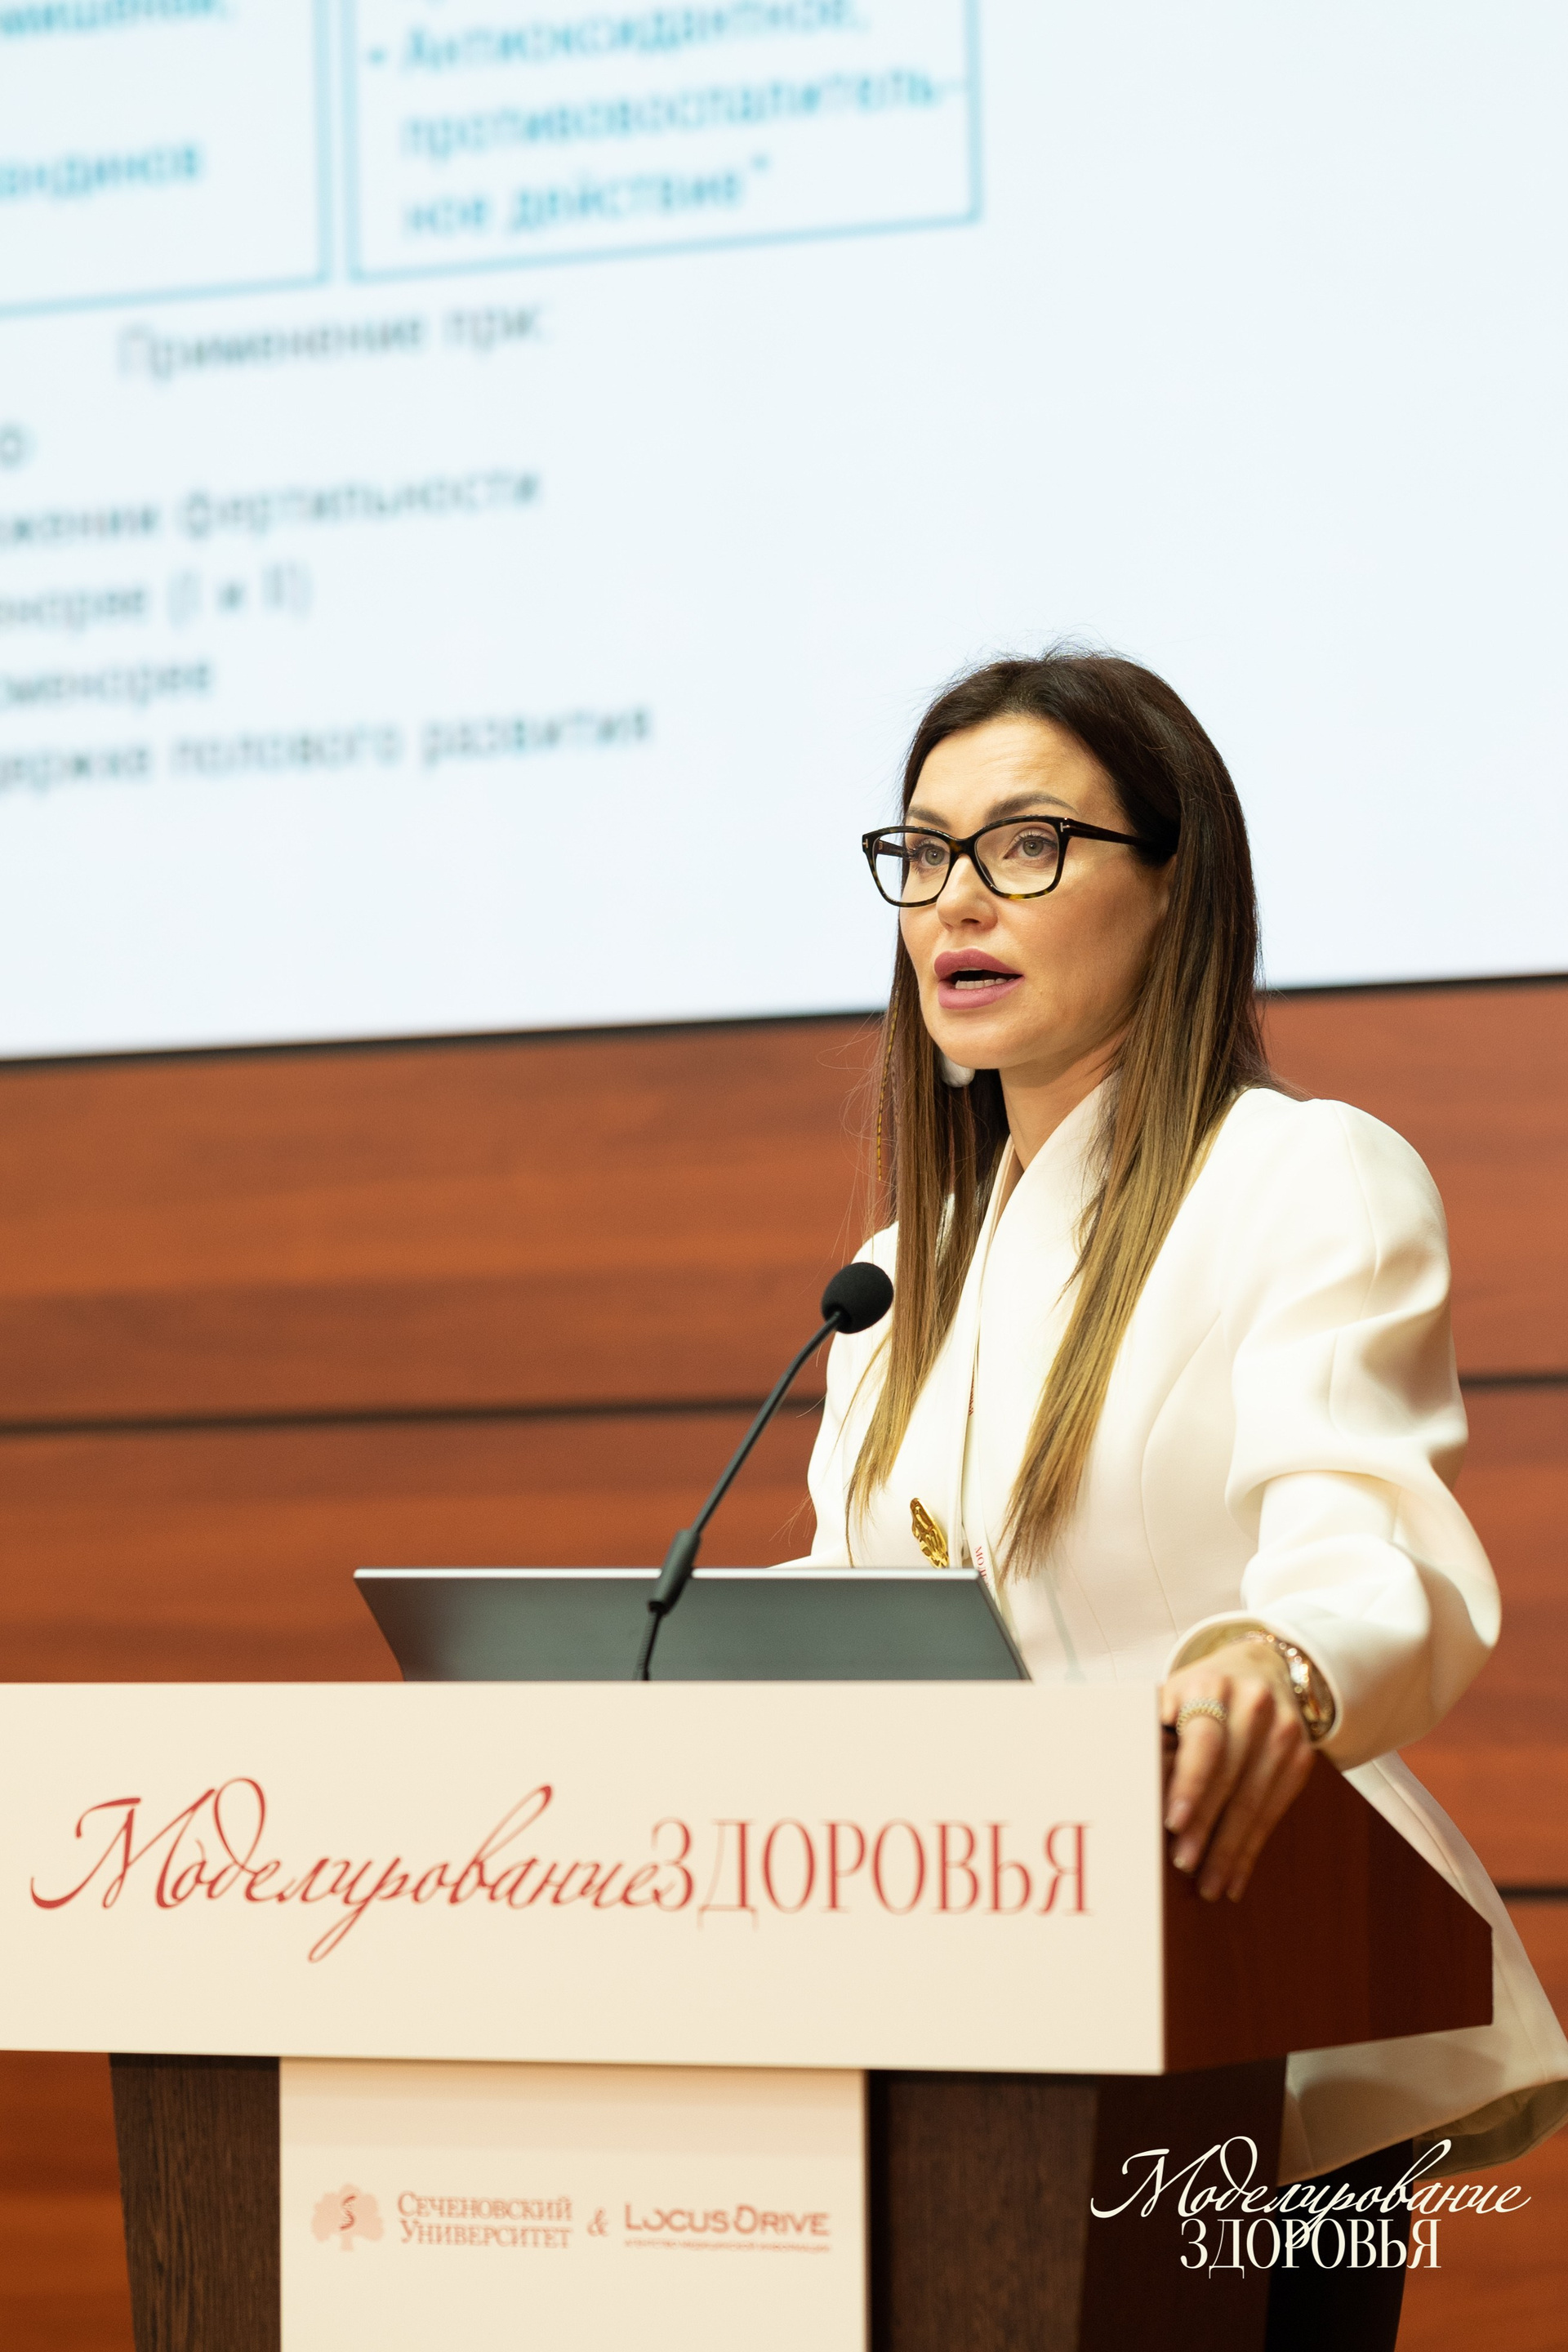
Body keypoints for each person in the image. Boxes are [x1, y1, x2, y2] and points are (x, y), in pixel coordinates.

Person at [795, 650, 1568, 2350]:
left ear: (1175, 884)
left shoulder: (1300, 1178)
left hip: (1258, 1980)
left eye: (1026, 845)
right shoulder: (893, 1280)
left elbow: (1362, 1530)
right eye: (921, 853)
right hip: (963, 1980)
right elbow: (862, 1615)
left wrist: (1274, 1660)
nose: (954, 901)